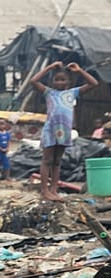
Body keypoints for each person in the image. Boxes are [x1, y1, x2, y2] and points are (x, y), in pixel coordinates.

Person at [31, 61, 98, 201]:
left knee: (57, 162)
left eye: (63, 79)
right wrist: (49, 67)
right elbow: (34, 80)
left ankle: (54, 190)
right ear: (52, 82)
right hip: (50, 130)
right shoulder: (49, 92)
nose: (59, 82)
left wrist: (79, 70)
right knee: (47, 160)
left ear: (69, 82)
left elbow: (93, 84)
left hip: (64, 131)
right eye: (56, 80)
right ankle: (44, 190)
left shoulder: (73, 93)